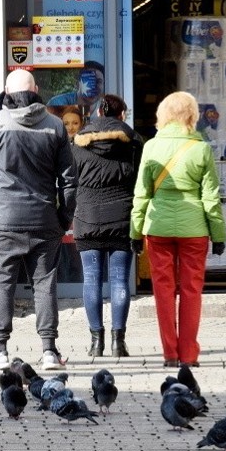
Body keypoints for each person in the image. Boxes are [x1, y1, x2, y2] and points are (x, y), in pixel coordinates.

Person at [0, 69, 78, 371]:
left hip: (3, 220)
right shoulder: (55, 126)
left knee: (1, 284)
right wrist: (63, 218)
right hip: (44, 220)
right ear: (37, 90)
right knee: (45, 285)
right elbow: (68, 180)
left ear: (6, 92)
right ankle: (50, 351)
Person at [130, 91, 226, 368]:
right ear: (192, 116)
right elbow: (211, 198)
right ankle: (189, 355)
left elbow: (142, 194)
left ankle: (170, 353)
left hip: (158, 230)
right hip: (195, 230)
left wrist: (135, 231)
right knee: (192, 290)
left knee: (163, 291)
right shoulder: (202, 149)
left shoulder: (151, 147)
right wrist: (218, 234)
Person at [71, 94, 143, 358]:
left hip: (87, 216)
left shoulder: (77, 144)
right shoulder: (134, 143)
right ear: (121, 115)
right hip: (122, 217)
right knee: (119, 279)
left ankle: (95, 342)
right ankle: (118, 343)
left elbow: (71, 180)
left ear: (98, 114)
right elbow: (140, 182)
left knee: (91, 279)